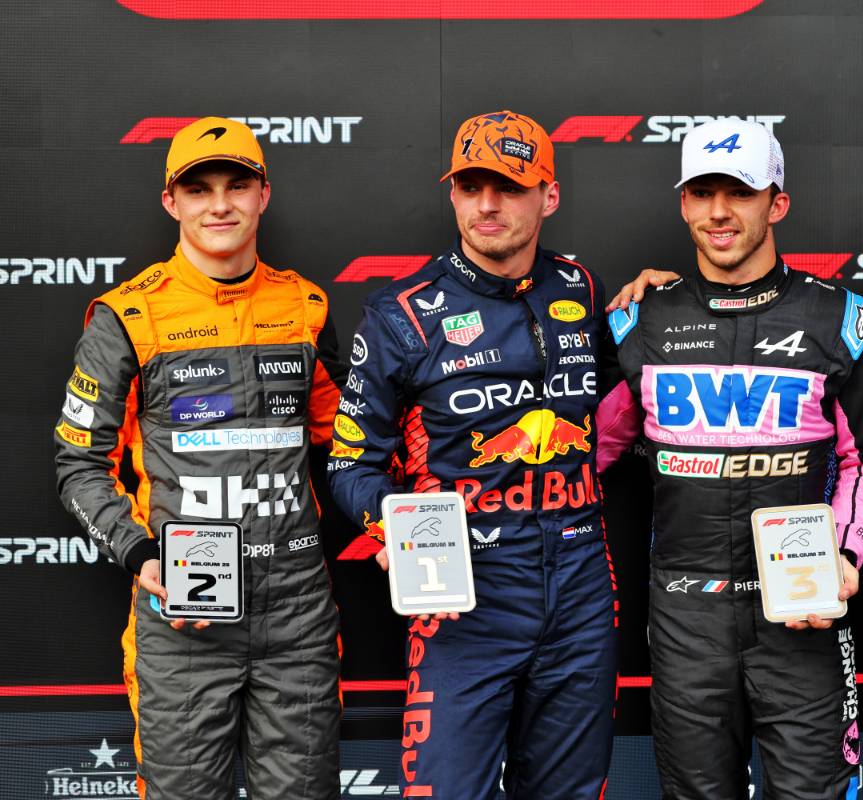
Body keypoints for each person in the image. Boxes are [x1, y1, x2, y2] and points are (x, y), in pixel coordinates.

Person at [326, 109, 617, 799]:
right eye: (470, 186)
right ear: (453, 193)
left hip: (580, 585)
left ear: (548, 195)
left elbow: (617, 409)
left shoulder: (581, 288)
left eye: (509, 186)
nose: (487, 205)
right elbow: (349, 464)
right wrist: (390, 523)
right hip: (465, 593)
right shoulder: (403, 313)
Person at [53, 116, 345, 799]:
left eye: (237, 184)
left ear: (263, 195)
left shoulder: (306, 306)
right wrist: (141, 554)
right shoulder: (128, 316)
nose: (219, 204)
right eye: (200, 188)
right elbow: (77, 465)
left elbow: (350, 441)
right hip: (185, 617)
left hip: (296, 611)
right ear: (171, 202)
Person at [597, 118, 863, 799]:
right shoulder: (639, 321)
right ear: (683, 203)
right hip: (684, 612)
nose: (719, 212)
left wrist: (844, 555)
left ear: (776, 202)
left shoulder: (845, 320)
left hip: (802, 607)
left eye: (741, 192)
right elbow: (588, 454)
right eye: (702, 193)